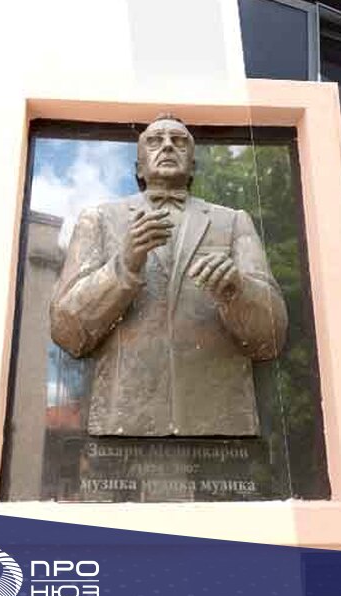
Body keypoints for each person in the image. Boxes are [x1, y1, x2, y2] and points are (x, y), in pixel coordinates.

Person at [50, 114, 287, 437]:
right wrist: (124, 266)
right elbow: (67, 330)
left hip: (219, 417)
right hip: (124, 418)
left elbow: (271, 338)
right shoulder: (100, 220)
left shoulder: (233, 222)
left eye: (179, 141)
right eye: (154, 141)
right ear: (139, 168)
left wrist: (238, 291)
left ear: (192, 167)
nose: (167, 146)